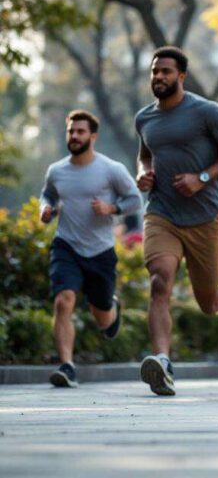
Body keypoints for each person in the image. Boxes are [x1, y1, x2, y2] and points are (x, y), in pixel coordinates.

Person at [135, 46, 218, 397]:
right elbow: (145, 153)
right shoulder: (144, 118)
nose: (159, 77)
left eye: (166, 71)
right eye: (154, 71)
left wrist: (202, 178)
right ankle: (162, 361)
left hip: (205, 216)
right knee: (160, 280)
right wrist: (144, 174)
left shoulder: (205, 111)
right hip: (161, 212)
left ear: (181, 76)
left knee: (209, 304)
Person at [40, 110, 142, 388]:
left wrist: (113, 208)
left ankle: (111, 309)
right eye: (71, 131)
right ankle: (67, 366)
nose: (74, 136)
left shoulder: (111, 169)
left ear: (93, 136)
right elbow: (47, 194)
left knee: (103, 319)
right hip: (66, 246)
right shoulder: (57, 170)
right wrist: (45, 208)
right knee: (63, 300)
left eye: (80, 132)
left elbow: (135, 200)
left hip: (100, 251)